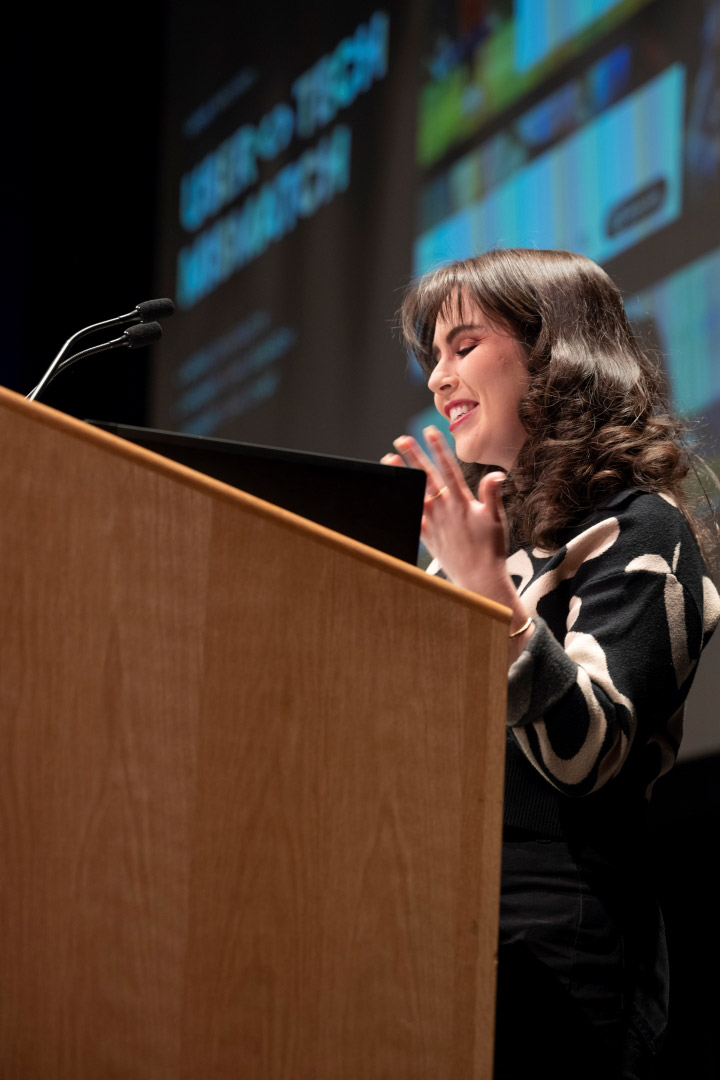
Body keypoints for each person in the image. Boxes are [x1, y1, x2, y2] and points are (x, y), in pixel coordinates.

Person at [382, 249, 720, 1079]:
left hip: (555, 922)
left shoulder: (641, 529)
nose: (438, 379)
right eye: (433, 357)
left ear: (556, 351)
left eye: (462, 345)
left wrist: (490, 596)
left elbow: (586, 755)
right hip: (417, 896)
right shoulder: (475, 554)